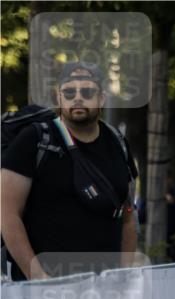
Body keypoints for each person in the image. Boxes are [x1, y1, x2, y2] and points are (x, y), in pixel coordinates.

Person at [1, 62, 138, 280]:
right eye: (69, 91)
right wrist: (37, 276)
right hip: (47, 287)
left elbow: (128, 216)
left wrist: (122, 275)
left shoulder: (118, 142)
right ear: (59, 97)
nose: (78, 97)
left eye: (87, 91)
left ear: (101, 98)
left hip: (104, 288)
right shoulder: (35, 140)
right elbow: (7, 214)